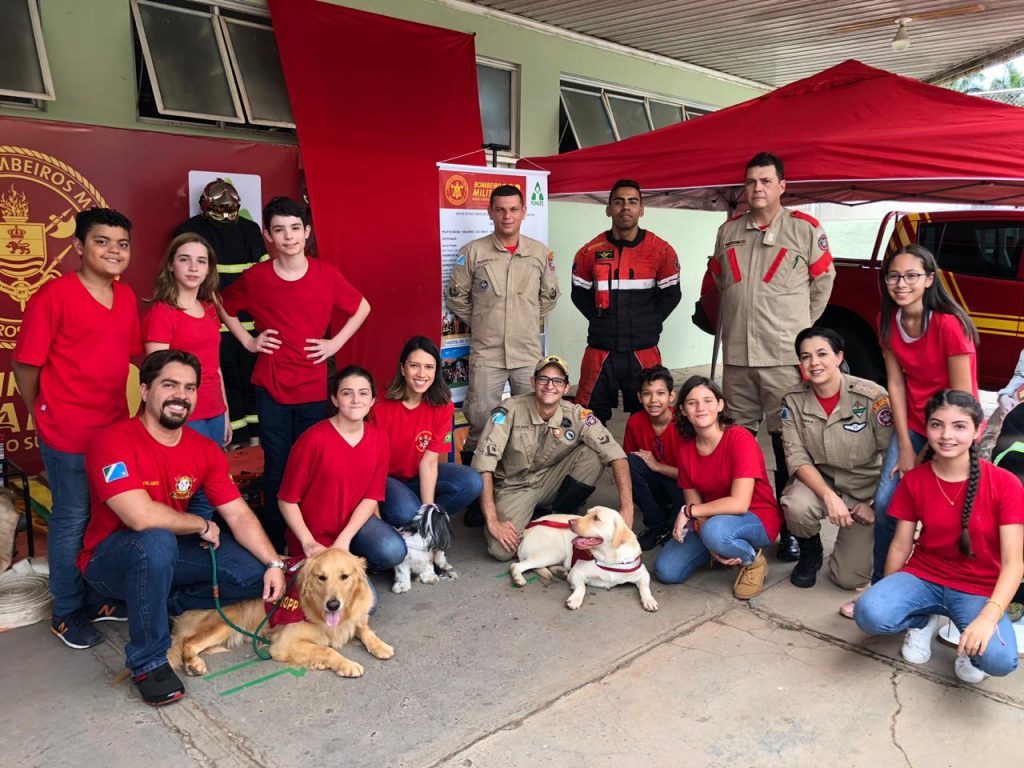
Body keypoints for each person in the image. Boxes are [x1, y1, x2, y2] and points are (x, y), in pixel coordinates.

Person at [78, 350, 286, 706]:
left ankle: (159, 601)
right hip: (109, 561)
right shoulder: (112, 441)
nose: (181, 395)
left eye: (190, 388)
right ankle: (149, 661)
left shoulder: (204, 449)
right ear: (145, 390)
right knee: (155, 541)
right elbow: (139, 517)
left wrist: (274, 563)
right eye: (169, 385)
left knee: (254, 577)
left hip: (169, 550)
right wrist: (200, 523)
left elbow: (238, 514)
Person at [12, 207, 142, 650]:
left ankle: (96, 595)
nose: (113, 251)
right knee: (72, 518)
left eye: (122, 244)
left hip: (112, 431)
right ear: (79, 247)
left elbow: (129, 357)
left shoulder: (125, 297)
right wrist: (39, 410)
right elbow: (25, 364)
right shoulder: (54, 296)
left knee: (107, 515)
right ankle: (66, 611)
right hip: (67, 432)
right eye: (102, 242)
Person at [221, 196, 371, 552]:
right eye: (279, 230)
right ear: (268, 236)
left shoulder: (326, 274)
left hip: (313, 385)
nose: (288, 237)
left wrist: (335, 344)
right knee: (277, 466)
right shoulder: (257, 277)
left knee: (311, 465)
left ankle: (311, 541)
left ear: (306, 232)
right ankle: (275, 547)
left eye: (294, 229)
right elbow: (222, 305)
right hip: (272, 384)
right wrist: (249, 341)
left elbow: (362, 307)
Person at [710, 152, 835, 562]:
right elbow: (720, 281)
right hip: (738, 359)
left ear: (782, 186)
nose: (757, 188)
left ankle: (793, 529)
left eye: (765, 181)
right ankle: (750, 515)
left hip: (782, 358)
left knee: (787, 444)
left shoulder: (804, 230)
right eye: (751, 182)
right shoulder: (728, 231)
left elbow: (823, 282)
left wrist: (799, 329)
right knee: (739, 443)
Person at [855, 390, 1022, 684]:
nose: (946, 435)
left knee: (999, 660)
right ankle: (923, 622)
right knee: (869, 614)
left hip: (978, 588)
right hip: (924, 576)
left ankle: (968, 640)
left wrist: (988, 617)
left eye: (959, 426)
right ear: (927, 428)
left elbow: (1014, 563)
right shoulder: (916, 479)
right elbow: (901, 545)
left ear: (977, 430)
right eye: (936, 425)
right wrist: (889, 594)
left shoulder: (1005, 484)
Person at [860, 244, 980, 616]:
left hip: (953, 426)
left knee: (948, 511)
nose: (901, 284)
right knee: (886, 503)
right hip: (913, 423)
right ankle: (881, 587)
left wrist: (930, 449)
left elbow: (961, 399)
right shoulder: (888, 319)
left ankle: (954, 589)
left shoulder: (948, 323)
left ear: (929, 279)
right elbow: (896, 384)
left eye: (911, 276)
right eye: (894, 276)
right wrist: (907, 447)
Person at [472, 355, 633, 562]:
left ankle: (557, 512)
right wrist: (493, 520)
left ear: (566, 388)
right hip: (514, 487)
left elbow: (616, 455)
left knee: (593, 455)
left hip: (550, 480)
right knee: (501, 551)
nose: (550, 386)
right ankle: (533, 516)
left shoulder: (576, 415)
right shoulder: (510, 410)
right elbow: (483, 464)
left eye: (557, 381)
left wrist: (627, 507)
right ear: (533, 382)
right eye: (543, 379)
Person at [445, 184, 560, 458]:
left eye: (513, 209)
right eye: (500, 210)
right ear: (490, 212)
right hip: (488, 354)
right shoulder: (473, 252)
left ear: (524, 212)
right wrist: (484, 321)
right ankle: (476, 482)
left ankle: (525, 478)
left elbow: (549, 296)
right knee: (481, 422)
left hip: (527, 354)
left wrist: (524, 318)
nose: (507, 216)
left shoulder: (539, 253)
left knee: (531, 421)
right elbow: (456, 297)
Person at [780, 327, 892, 592]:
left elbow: (892, 457)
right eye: (806, 357)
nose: (814, 363)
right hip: (822, 482)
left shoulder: (872, 397)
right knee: (796, 505)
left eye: (822, 354)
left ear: (839, 357)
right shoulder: (792, 400)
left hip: (865, 490)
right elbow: (797, 457)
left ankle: (872, 543)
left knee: (849, 579)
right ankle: (811, 553)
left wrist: (875, 505)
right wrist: (828, 497)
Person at [654, 376, 784, 600]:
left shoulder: (739, 438)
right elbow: (694, 502)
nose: (701, 408)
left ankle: (752, 561)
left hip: (756, 516)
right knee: (667, 571)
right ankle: (722, 545)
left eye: (708, 400)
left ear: (720, 405)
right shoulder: (685, 447)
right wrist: (711, 544)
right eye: (692, 402)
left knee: (716, 531)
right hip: (713, 521)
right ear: (683, 410)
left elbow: (739, 503)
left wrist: (689, 513)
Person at [571, 180, 681, 423]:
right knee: (588, 416)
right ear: (608, 209)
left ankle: (642, 451)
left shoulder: (661, 250)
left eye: (633, 202)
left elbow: (671, 295)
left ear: (641, 209)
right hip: (600, 349)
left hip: (643, 349)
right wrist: (601, 321)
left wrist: (650, 322)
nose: (626, 207)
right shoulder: (589, 252)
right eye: (619, 202)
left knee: (650, 416)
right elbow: (579, 294)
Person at [278, 366, 405, 573]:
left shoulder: (379, 439)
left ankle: (352, 560)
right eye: (347, 393)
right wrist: (307, 542)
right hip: (315, 537)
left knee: (394, 551)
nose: (356, 400)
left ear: (372, 400)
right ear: (335, 400)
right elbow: (286, 500)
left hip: (355, 527)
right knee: (344, 594)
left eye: (363, 393)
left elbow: (371, 497)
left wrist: (344, 540)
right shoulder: (312, 440)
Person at [175, 179, 266, 448]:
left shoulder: (249, 229)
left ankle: (253, 441)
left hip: (246, 324)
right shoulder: (190, 231)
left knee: (250, 383)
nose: (226, 216)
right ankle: (235, 441)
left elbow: (263, 276)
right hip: (211, 322)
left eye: (230, 211)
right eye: (220, 211)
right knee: (227, 381)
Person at [370, 336, 482, 528]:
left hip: (417, 476)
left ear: (436, 371)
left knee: (472, 482)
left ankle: (426, 524)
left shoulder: (443, 406)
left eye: (429, 367)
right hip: (386, 479)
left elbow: (429, 462)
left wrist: (426, 513)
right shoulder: (379, 403)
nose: (422, 374)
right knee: (405, 512)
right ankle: (402, 518)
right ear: (402, 368)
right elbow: (370, 464)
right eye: (414, 365)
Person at [143, 233, 230, 449]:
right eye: (184, 259)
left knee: (213, 468)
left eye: (201, 261)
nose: (193, 268)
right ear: (171, 265)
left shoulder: (209, 308)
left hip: (215, 409)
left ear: (208, 269)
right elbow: (156, 375)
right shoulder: (162, 313)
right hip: (182, 410)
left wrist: (226, 411)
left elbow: (215, 366)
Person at [623, 366, 683, 550]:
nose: (654, 400)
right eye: (647, 394)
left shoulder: (684, 424)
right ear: (639, 397)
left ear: (671, 396)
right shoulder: (635, 422)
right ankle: (657, 526)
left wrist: (657, 466)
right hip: (656, 485)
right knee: (629, 464)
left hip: (684, 487)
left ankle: (673, 521)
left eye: (660, 393)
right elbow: (627, 464)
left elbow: (695, 475)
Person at [979, 347, 1024, 459]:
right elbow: (1021, 375)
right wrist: (1006, 394)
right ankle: (982, 465)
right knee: (990, 433)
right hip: (1018, 399)